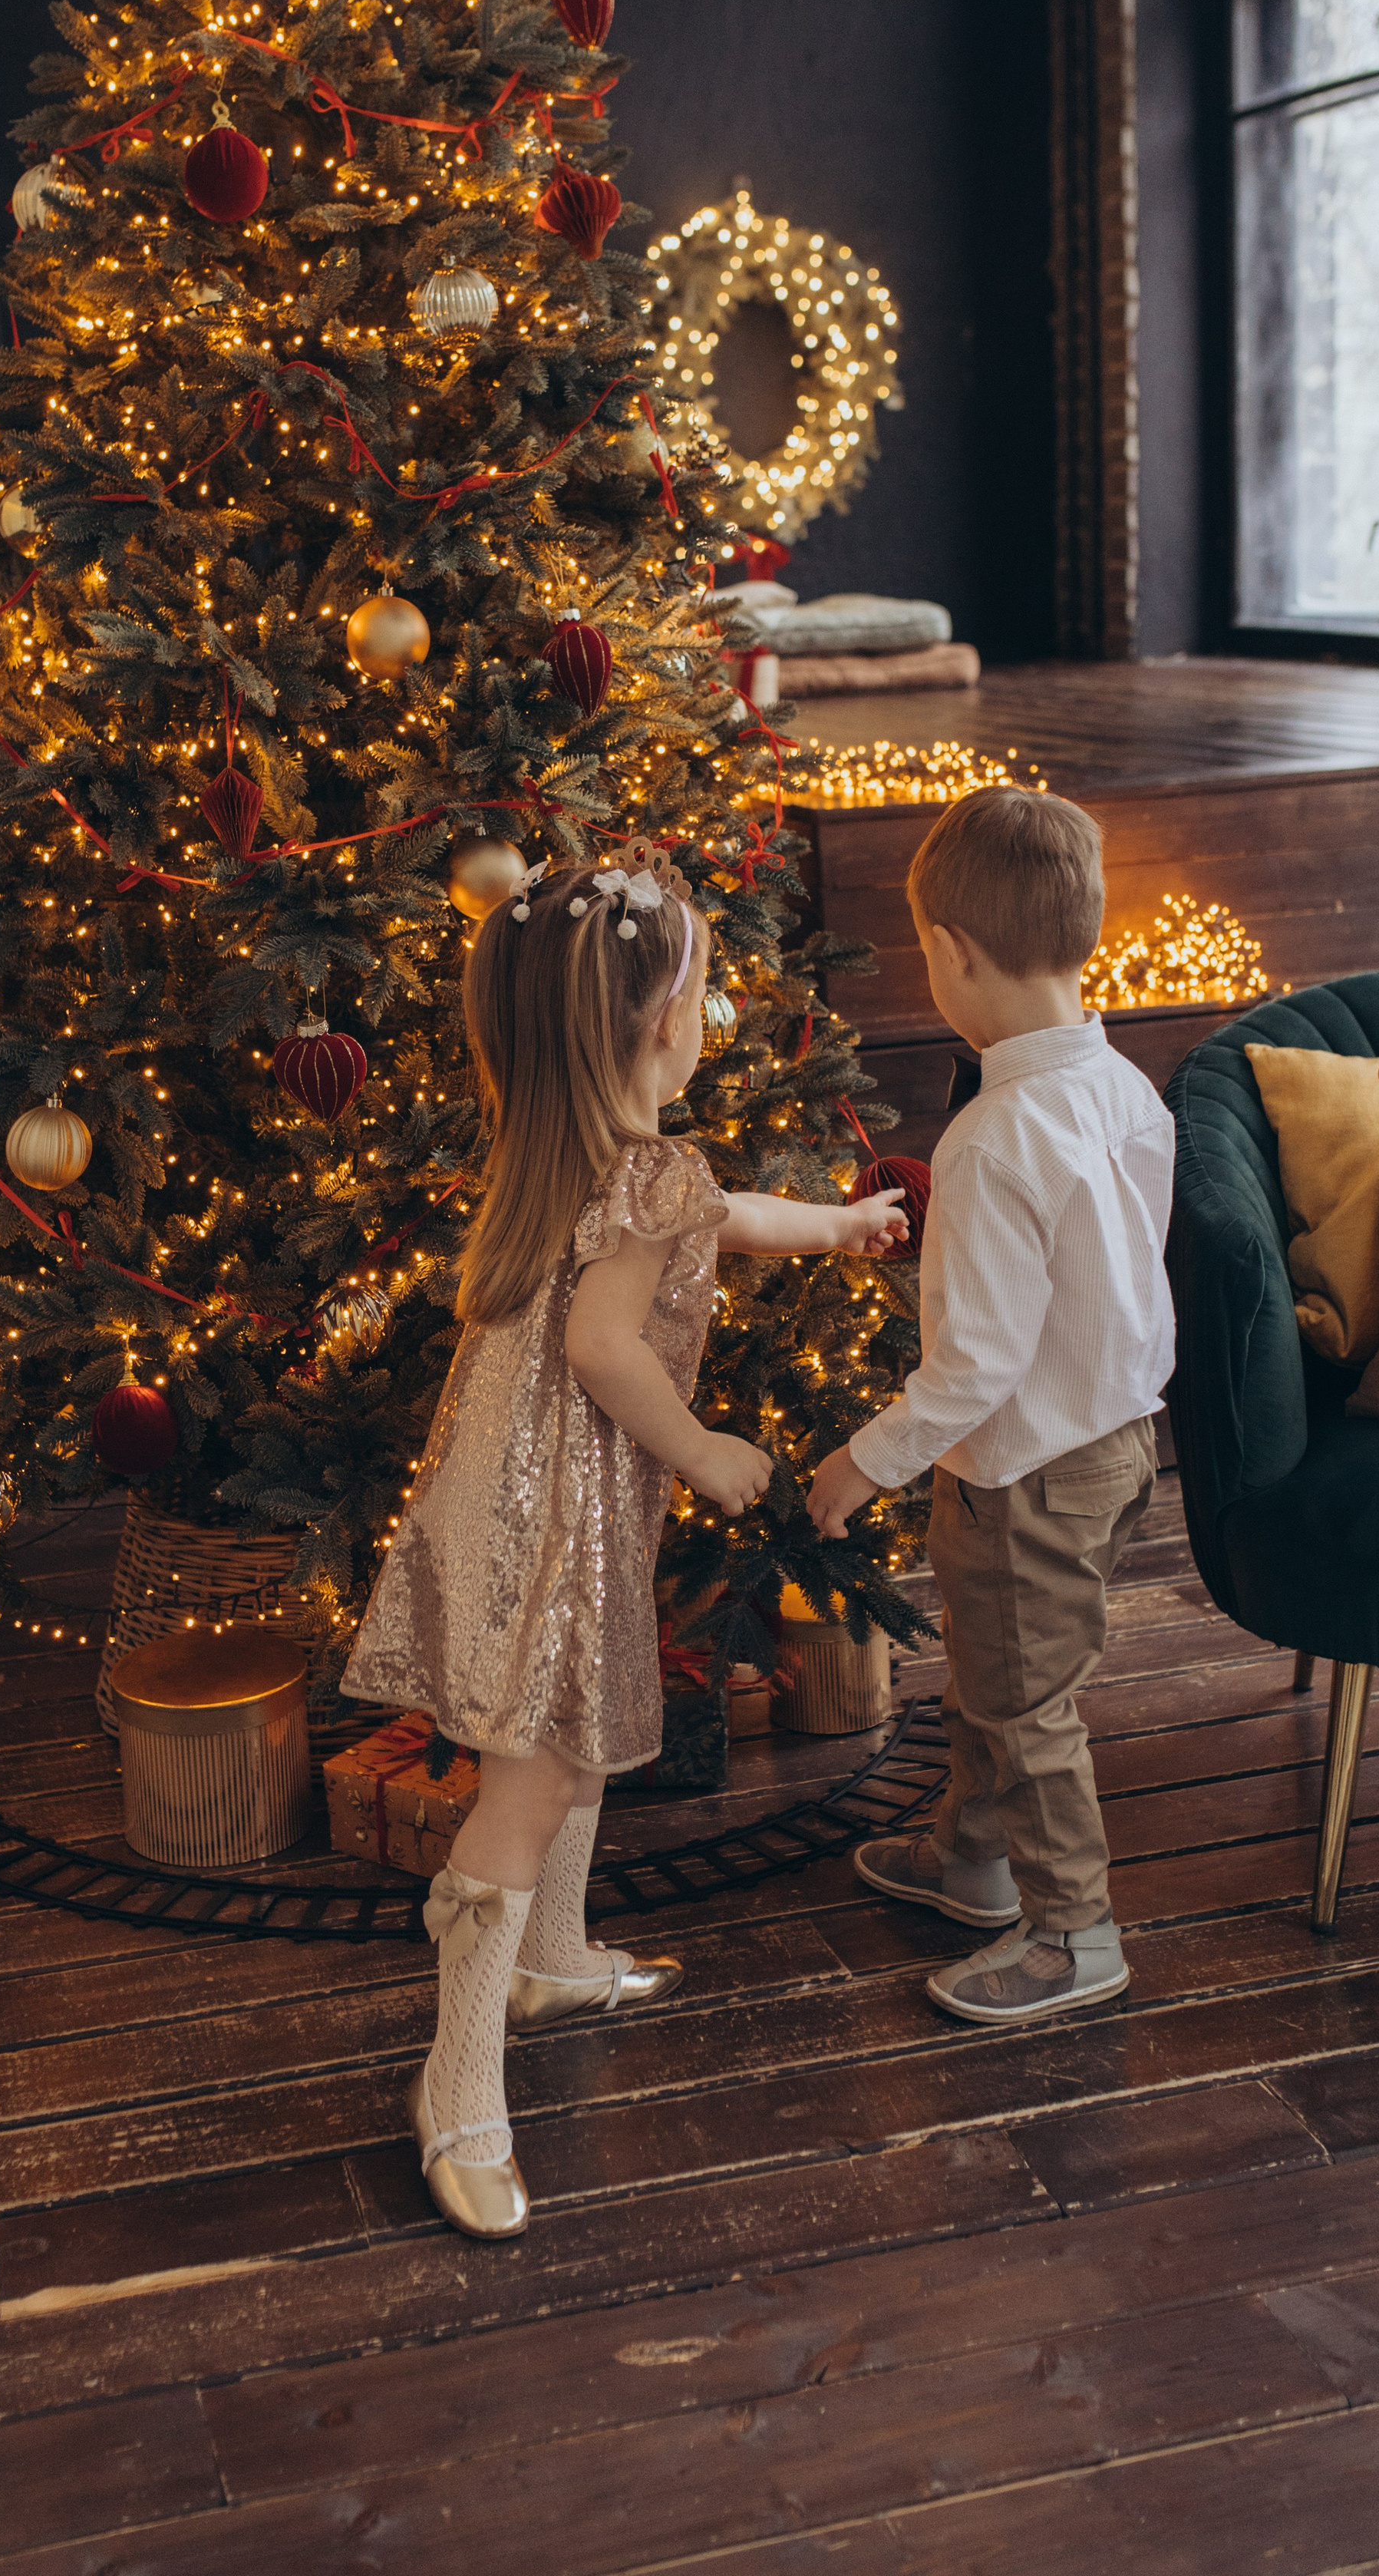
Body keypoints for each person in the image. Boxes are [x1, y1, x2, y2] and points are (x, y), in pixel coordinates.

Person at [345, 840, 909, 2240]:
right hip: (563, 1508)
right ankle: (460, 2079)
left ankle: (553, 1959)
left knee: (572, 1729)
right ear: (659, 1024)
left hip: (527, 1494)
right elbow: (606, 1343)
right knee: (529, 1786)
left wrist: (838, 1226)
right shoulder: (644, 1166)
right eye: (704, 995)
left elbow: (722, 1218)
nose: (707, 1021)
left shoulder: (574, 1146)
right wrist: (708, 1449)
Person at [807, 788, 1173, 2029]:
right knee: (996, 1672)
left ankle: (1075, 1935)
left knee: (1023, 1702)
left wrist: (864, 1462)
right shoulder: (1125, 1087)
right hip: (1121, 1442)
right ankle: (972, 1860)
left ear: (953, 954)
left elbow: (972, 1367)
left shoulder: (989, 1138)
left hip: (1025, 1473)